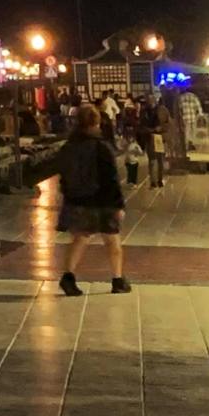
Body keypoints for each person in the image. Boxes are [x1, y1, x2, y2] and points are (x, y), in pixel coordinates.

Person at [55, 103, 130, 295]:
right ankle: (117, 279)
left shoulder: (69, 146)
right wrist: (118, 204)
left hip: (77, 200)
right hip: (102, 200)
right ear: (96, 122)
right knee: (112, 241)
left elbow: (63, 174)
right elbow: (111, 178)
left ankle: (68, 276)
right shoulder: (102, 147)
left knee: (80, 238)